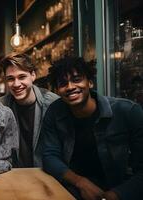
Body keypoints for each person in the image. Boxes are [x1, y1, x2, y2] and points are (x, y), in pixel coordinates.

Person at [41, 56, 143, 200]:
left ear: (90, 82)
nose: (70, 87)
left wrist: (116, 195)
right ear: (57, 90)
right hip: (75, 189)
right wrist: (80, 182)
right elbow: (50, 156)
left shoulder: (128, 111)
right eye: (63, 83)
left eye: (76, 79)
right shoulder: (54, 112)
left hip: (121, 189)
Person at [0, 53, 58, 167]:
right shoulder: (0, 107)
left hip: (47, 174)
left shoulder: (52, 103)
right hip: (13, 175)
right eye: (10, 79)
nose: (16, 84)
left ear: (33, 75)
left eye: (22, 77)